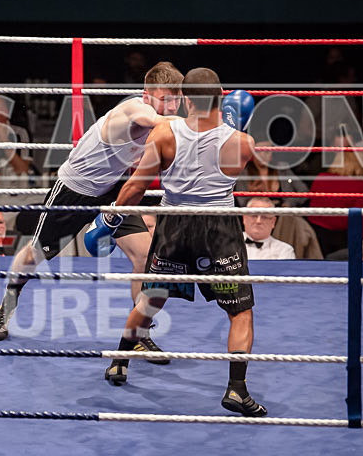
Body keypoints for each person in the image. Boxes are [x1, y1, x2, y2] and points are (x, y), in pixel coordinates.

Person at [0, 61, 184, 365]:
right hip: (74, 190)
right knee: (36, 255)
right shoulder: (134, 110)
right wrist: (203, 121)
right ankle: (7, 305)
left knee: (145, 257)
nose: (171, 106)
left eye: (177, 99)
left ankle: (139, 335)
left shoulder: (168, 120)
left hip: (113, 190)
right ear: (147, 95)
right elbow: (158, 121)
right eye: (164, 99)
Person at [101, 68, 267, 417]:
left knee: (152, 298)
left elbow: (135, 187)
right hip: (218, 233)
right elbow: (261, 177)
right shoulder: (243, 143)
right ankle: (236, 391)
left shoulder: (163, 132)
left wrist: (110, 218)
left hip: (173, 226)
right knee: (240, 312)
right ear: (221, 98)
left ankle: (119, 361)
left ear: (186, 99)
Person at [306, 147, 363, 256]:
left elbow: (312, 200)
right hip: (340, 238)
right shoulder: (358, 185)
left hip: (314, 233)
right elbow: (360, 218)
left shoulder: (321, 178)